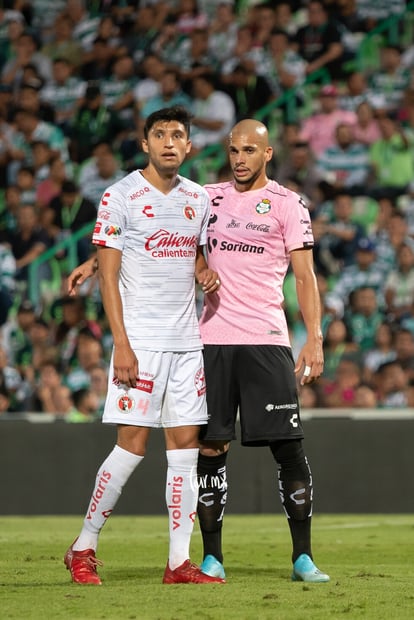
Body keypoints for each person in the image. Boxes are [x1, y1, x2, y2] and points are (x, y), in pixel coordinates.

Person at [68, 118, 330, 584]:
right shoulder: (205, 197)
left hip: (260, 340)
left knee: (275, 447)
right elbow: (145, 239)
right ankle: (187, 555)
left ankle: (294, 558)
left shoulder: (281, 204)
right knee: (195, 448)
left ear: (267, 154)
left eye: (250, 150)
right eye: (234, 150)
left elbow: (305, 276)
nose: (240, 158)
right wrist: (94, 261)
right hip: (202, 340)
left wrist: (315, 335)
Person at [63, 106, 225, 586]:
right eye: (161, 135)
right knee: (131, 447)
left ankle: (178, 563)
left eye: (178, 135)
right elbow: (108, 274)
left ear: (190, 145)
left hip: (187, 342)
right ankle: (83, 546)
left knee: (185, 451)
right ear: (145, 144)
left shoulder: (198, 198)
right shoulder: (120, 196)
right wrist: (122, 344)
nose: (170, 142)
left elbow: (194, 254)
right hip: (141, 342)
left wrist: (201, 270)